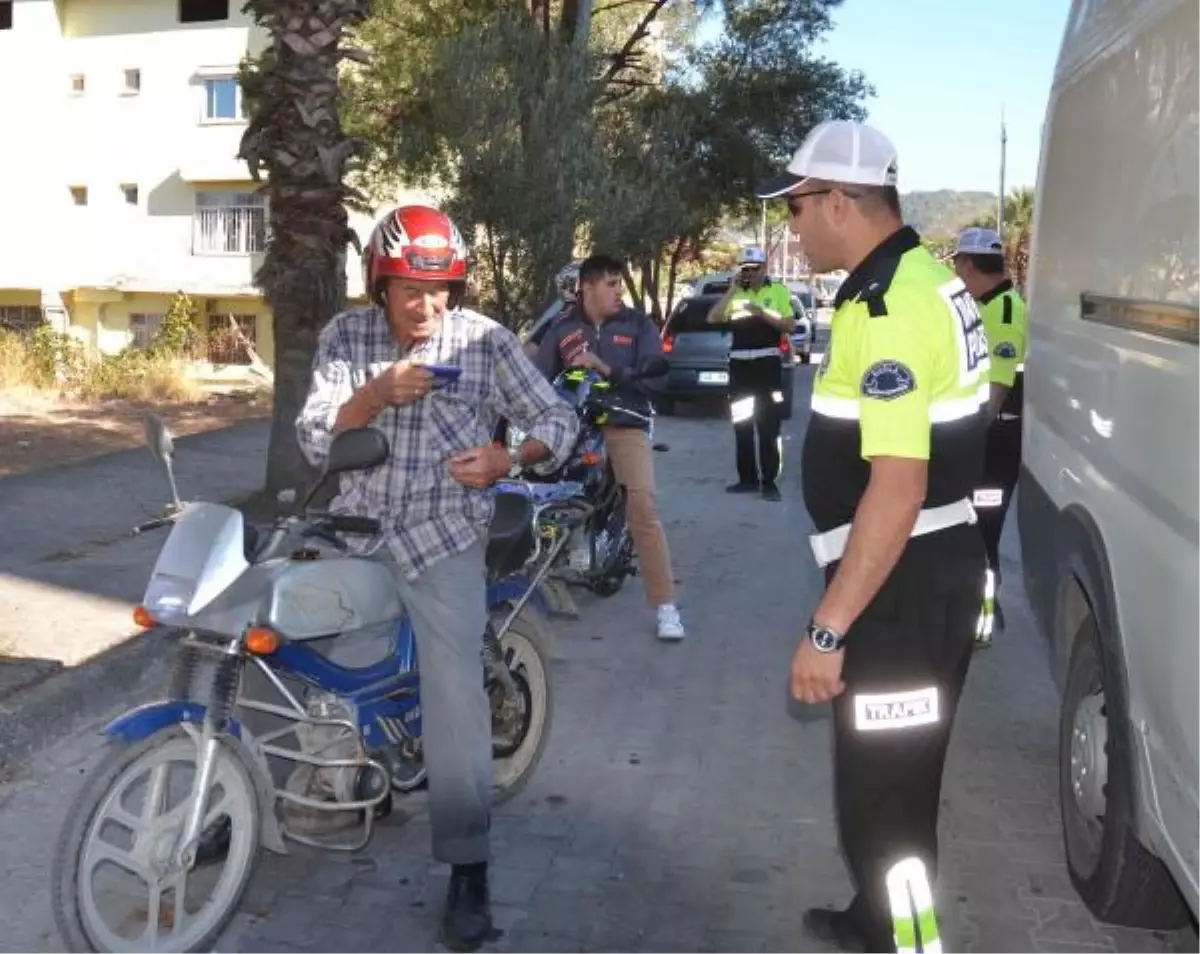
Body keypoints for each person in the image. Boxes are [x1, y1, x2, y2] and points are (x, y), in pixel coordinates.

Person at [295, 205, 578, 951]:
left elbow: (558, 418)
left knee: (453, 694)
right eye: (411, 290)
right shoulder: (346, 338)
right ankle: (294, 786)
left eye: (441, 289)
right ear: (380, 284)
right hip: (354, 530)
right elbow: (315, 438)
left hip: (443, 536)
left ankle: (467, 864)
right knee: (300, 654)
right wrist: (372, 396)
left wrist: (509, 458)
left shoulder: (484, 341)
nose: (428, 305)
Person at [757, 120, 990, 953]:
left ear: (838, 203)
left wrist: (827, 629)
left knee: (882, 807)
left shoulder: (888, 306)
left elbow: (897, 489)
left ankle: (906, 942)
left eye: (796, 207)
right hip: (925, 573)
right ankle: (873, 920)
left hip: (900, 588)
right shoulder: (925, 277)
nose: (792, 227)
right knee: (898, 782)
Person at [534, 253, 687, 642]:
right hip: (573, 427)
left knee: (642, 504)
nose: (619, 291)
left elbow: (656, 376)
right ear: (587, 287)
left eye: (621, 283)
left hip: (624, 421)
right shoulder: (562, 329)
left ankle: (666, 606)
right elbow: (537, 381)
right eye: (611, 284)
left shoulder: (637, 325)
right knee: (525, 485)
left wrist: (608, 369)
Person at [951, 227, 1028, 646]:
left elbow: (997, 389)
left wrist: (966, 443)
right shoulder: (987, 305)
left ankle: (980, 623)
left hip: (994, 443)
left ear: (968, 265)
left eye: (957, 266)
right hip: (985, 440)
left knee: (982, 533)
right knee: (970, 530)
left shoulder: (1004, 310)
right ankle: (973, 612)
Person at [706, 246, 796, 501]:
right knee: (742, 425)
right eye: (745, 269)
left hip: (767, 367)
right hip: (740, 369)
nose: (750, 273)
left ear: (764, 268)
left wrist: (761, 313)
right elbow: (712, 318)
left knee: (768, 427)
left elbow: (789, 325)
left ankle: (769, 483)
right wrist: (731, 290)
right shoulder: (735, 293)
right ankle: (747, 479)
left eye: (754, 269)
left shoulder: (778, 291)